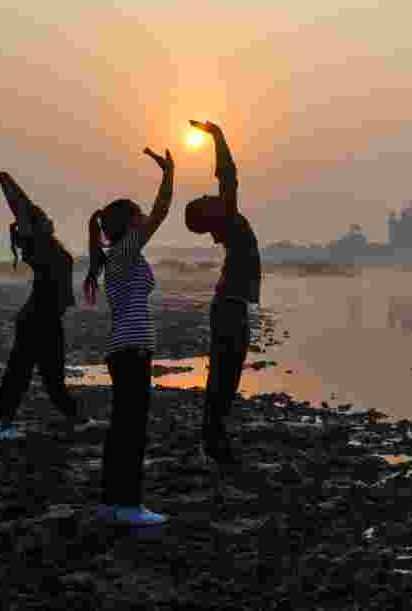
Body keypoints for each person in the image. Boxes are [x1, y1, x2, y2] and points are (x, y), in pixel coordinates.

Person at [84, 147, 174, 527]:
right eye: (138, 217)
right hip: (130, 349)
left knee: (124, 427)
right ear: (129, 224)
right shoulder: (125, 250)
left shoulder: (121, 254)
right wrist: (169, 175)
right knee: (131, 430)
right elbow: (162, 213)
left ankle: (112, 502)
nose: (144, 221)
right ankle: (128, 506)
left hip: (126, 348)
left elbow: (153, 217)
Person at [0, 171, 100, 440]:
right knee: (19, 374)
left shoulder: (48, 244)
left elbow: (28, 211)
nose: (49, 219)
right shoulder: (37, 243)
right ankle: (6, 425)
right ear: (36, 226)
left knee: (51, 378)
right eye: (44, 218)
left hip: (47, 319)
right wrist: (5, 180)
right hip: (36, 321)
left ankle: (76, 418)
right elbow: (23, 208)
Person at [184, 121, 261, 464]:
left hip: (230, 305)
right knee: (224, 378)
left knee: (225, 377)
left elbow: (227, 180)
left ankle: (213, 439)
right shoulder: (227, 217)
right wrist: (217, 136)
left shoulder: (226, 221)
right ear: (209, 213)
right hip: (229, 308)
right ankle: (213, 442)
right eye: (205, 199)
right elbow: (228, 175)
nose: (209, 194)